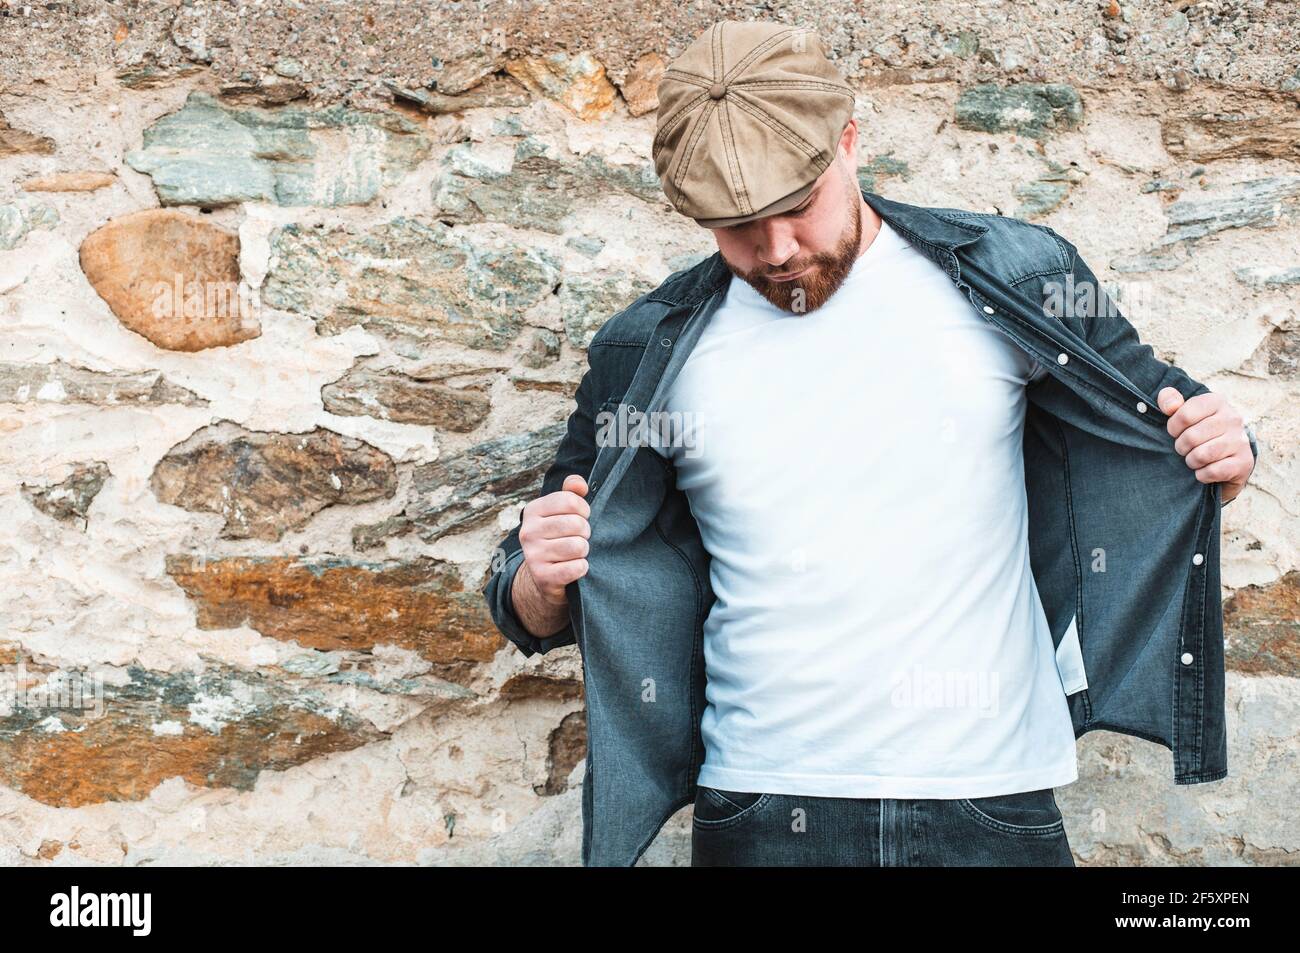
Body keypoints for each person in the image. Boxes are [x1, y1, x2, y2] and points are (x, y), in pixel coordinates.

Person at [483, 19, 1258, 867]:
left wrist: (1225, 452)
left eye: (797, 208)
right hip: (763, 804)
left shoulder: (1022, 276)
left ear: (848, 143)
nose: (777, 252)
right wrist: (540, 580)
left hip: (992, 795)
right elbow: (533, 589)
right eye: (738, 226)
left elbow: (1164, 424)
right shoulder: (646, 350)